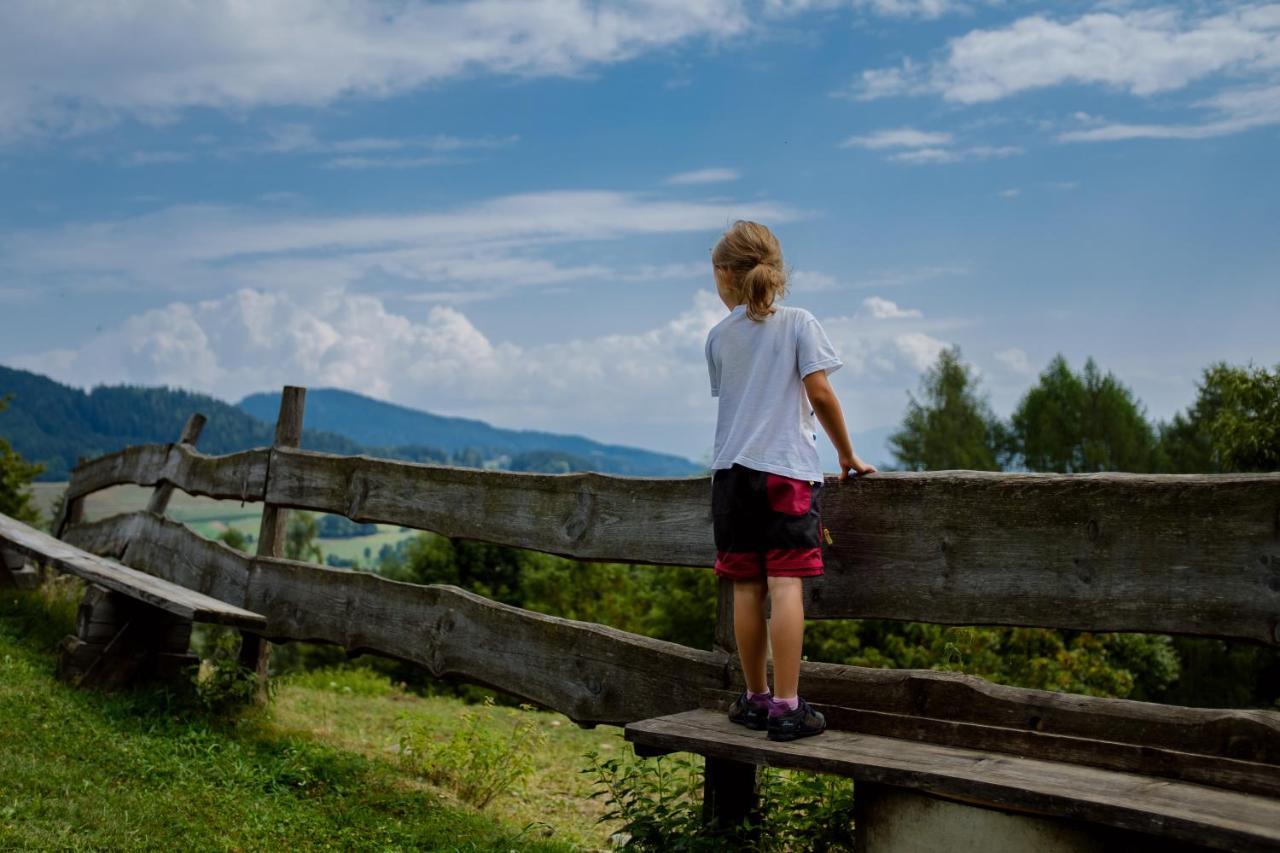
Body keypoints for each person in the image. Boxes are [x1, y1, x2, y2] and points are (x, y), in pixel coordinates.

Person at [704, 220, 876, 741]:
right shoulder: (800, 322)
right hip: (786, 474)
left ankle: (755, 698)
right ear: (776, 272)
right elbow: (819, 394)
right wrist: (846, 454)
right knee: (785, 587)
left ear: (722, 277)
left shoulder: (717, 338)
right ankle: (787, 707)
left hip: (732, 477)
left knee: (746, 587)